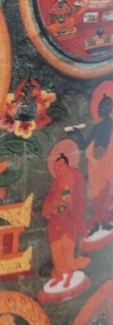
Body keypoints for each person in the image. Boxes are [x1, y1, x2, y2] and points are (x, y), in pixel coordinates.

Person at [41, 151, 89, 287]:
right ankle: (59, 275)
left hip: (68, 220)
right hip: (55, 222)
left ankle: (69, 274)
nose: (57, 170)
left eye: (60, 167)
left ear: (66, 165)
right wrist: (50, 207)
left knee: (67, 247)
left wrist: (61, 204)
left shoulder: (75, 177)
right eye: (55, 168)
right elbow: (49, 199)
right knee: (56, 249)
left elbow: (72, 198)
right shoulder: (56, 183)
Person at [71, 92, 113, 234]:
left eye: (106, 107)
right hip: (98, 161)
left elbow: (84, 145)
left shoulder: (102, 126)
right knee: (98, 192)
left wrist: (77, 133)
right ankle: (100, 221)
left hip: (103, 160)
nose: (103, 109)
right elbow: (85, 145)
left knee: (100, 191)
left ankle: (100, 221)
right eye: (102, 106)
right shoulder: (102, 125)